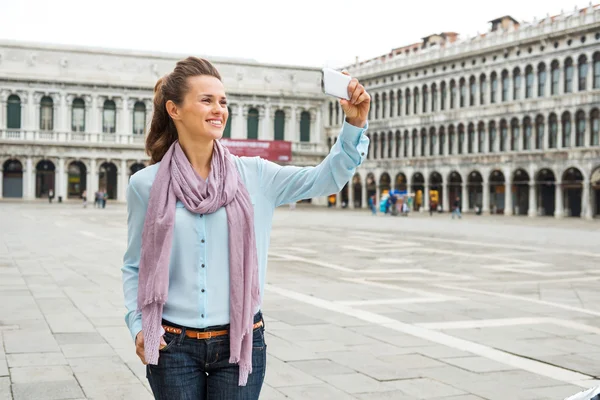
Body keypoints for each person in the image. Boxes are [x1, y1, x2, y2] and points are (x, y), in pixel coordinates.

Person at [121, 57, 370, 399]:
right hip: (171, 345)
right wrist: (138, 325)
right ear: (174, 110)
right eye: (206, 100)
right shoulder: (145, 185)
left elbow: (327, 178)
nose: (218, 110)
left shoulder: (255, 175)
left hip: (240, 340)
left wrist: (354, 125)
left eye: (223, 102)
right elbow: (135, 265)